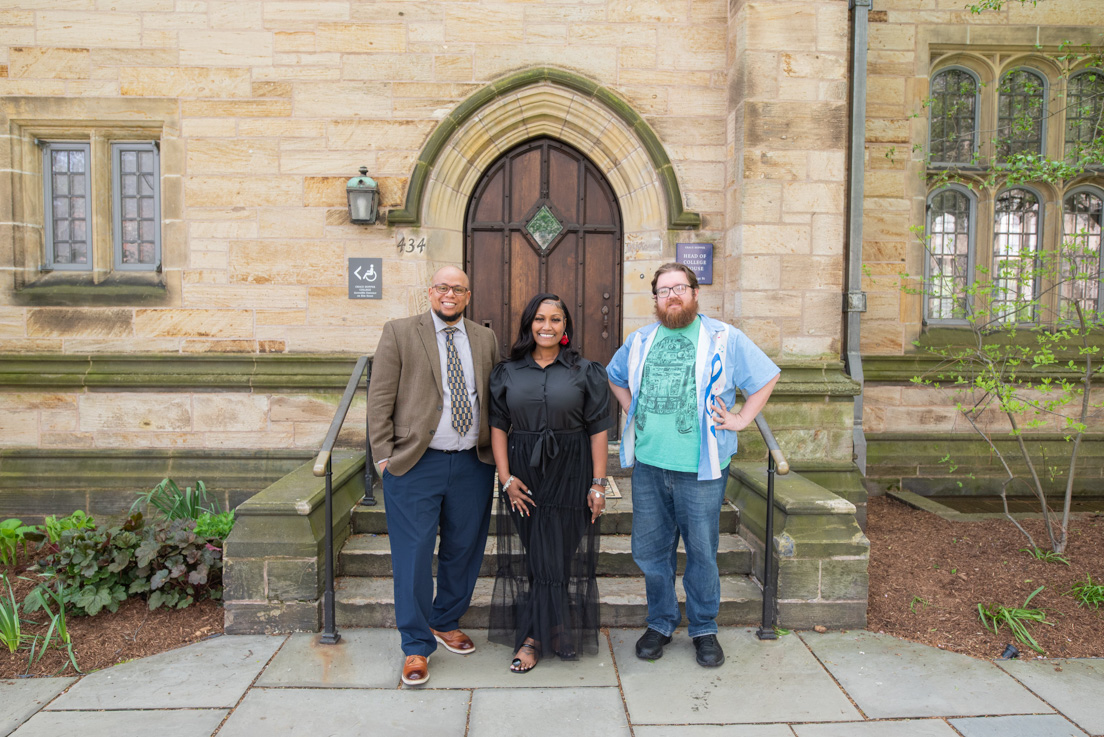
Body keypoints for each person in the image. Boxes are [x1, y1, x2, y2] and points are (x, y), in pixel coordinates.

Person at [606, 262, 780, 668]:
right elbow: (615, 377)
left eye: (679, 288)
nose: (671, 296)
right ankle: (661, 623)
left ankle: (704, 628)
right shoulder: (640, 340)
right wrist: (635, 411)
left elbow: (765, 377)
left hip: (702, 468)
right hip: (650, 465)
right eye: (663, 290)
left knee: (702, 551)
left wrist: (739, 419)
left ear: (694, 292)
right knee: (651, 552)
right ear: (655, 299)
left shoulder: (723, 337)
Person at [367, 265, 499, 687]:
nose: (450, 295)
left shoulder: (484, 338)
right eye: (443, 287)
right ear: (430, 292)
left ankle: (445, 620)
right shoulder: (400, 332)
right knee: (415, 554)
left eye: (458, 289)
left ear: (468, 295)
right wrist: (383, 457)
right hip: (414, 464)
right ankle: (415, 645)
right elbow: (380, 397)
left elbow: (494, 398)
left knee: (464, 548)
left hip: (471, 464)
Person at [488, 293, 613, 673]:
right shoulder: (506, 371)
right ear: (529, 324)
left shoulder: (585, 370)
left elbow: (599, 430)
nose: (547, 326)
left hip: (572, 472)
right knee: (539, 557)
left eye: (556, 319)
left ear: (565, 327)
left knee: (558, 556)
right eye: (540, 319)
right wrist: (506, 478)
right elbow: (497, 426)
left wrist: (598, 484)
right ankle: (542, 632)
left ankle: (540, 633)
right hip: (525, 473)